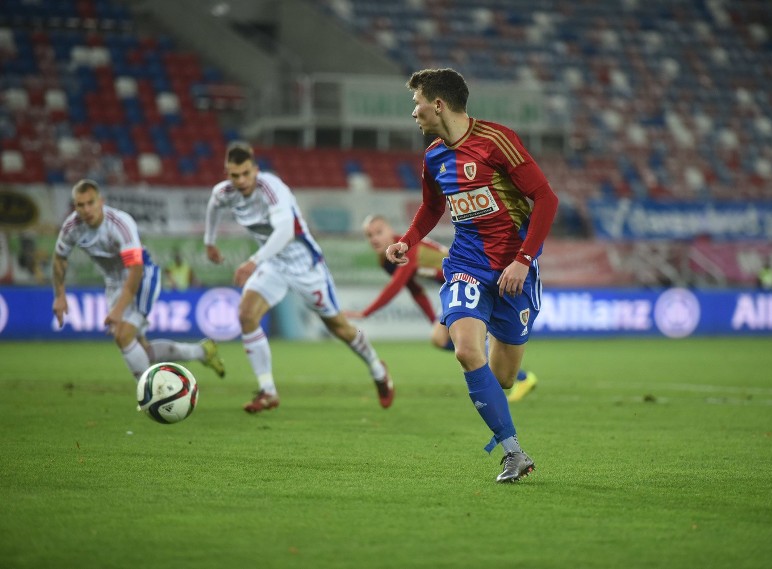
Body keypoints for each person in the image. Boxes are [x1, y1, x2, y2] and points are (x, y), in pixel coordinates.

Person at [386, 68, 558, 483]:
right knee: (465, 350)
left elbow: (545, 199)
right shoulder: (433, 156)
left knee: (500, 376)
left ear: (438, 104)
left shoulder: (497, 141)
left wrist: (522, 259)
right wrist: (408, 240)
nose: (414, 112)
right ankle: (513, 452)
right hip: (465, 264)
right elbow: (432, 207)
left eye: (417, 103)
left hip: (514, 270)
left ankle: (507, 427)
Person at [203, 141, 394, 413]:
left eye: (246, 173)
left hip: (305, 266)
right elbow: (213, 206)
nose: (242, 180)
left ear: (255, 169)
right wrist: (209, 242)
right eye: (235, 175)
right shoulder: (224, 193)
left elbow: (285, 233)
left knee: (338, 327)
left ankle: (377, 369)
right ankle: (267, 391)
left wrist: (252, 261)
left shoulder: (271, 188)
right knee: (246, 315)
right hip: (274, 264)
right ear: (227, 174)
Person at [346, 214, 539, 402]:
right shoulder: (386, 261)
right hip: (455, 284)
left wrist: (366, 312)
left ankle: (520, 377)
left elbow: (395, 286)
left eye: (379, 232)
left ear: (390, 231)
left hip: (471, 277)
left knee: (450, 341)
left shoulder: (407, 249)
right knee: (440, 338)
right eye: (369, 235)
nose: (374, 238)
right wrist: (432, 319)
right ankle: (513, 374)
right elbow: (415, 290)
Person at [52, 179, 226, 383]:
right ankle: (202, 352)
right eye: (80, 205)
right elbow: (59, 258)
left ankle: (152, 392)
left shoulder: (120, 224)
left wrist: (118, 311)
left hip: (143, 276)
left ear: (101, 201)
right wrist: (60, 295)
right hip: (114, 282)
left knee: (123, 335)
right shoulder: (72, 227)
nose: (86, 209)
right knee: (143, 350)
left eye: (91, 203)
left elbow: (135, 270)